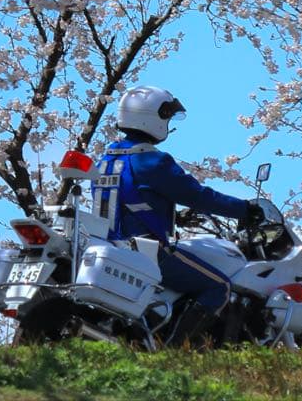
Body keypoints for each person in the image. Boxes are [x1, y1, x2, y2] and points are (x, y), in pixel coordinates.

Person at [90, 85, 262, 346]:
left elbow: (126, 200)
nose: (168, 123)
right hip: (146, 253)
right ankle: (173, 350)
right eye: (166, 116)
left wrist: (174, 217)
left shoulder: (105, 160)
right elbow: (200, 196)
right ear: (153, 117)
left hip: (107, 246)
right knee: (219, 287)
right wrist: (244, 209)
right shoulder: (152, 162)